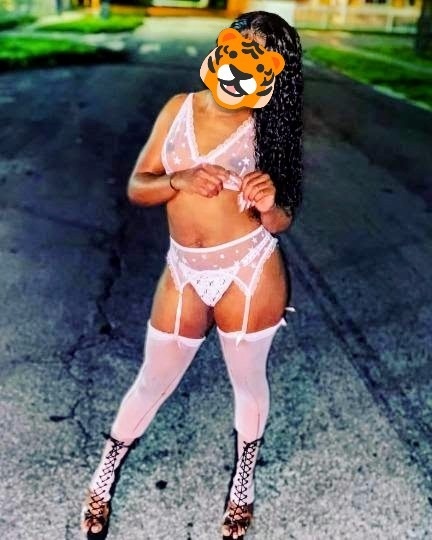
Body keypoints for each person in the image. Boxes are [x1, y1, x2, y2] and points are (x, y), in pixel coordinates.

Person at [80, 10, 303, 540]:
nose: (239, 72)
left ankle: (242, 486)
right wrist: (177, 179)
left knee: (247, 383)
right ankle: (103, 479)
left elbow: (281, 220)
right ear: (221, 49)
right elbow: (138, 187)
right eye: (238, 51)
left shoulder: (268, 130)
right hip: (183, 269)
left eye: (259, 62)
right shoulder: (178, 108)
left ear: (273, 78)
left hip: (249, 270)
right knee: (152, 379)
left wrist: (269, 203)